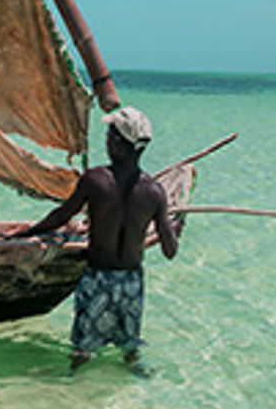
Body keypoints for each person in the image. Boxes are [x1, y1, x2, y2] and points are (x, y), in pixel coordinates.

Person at [11, 106, 180, 371]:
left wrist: (29, 233)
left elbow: (61, 216)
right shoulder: (155, 192)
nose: (106, 141)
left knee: (83, 349)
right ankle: (134, 378)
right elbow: (170, 251)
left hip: (98, 278)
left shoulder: (96, 180)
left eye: (110, 136)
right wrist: (175, 227)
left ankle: (74, 382)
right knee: (129, 348)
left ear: (120, 143)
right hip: (131, 282)